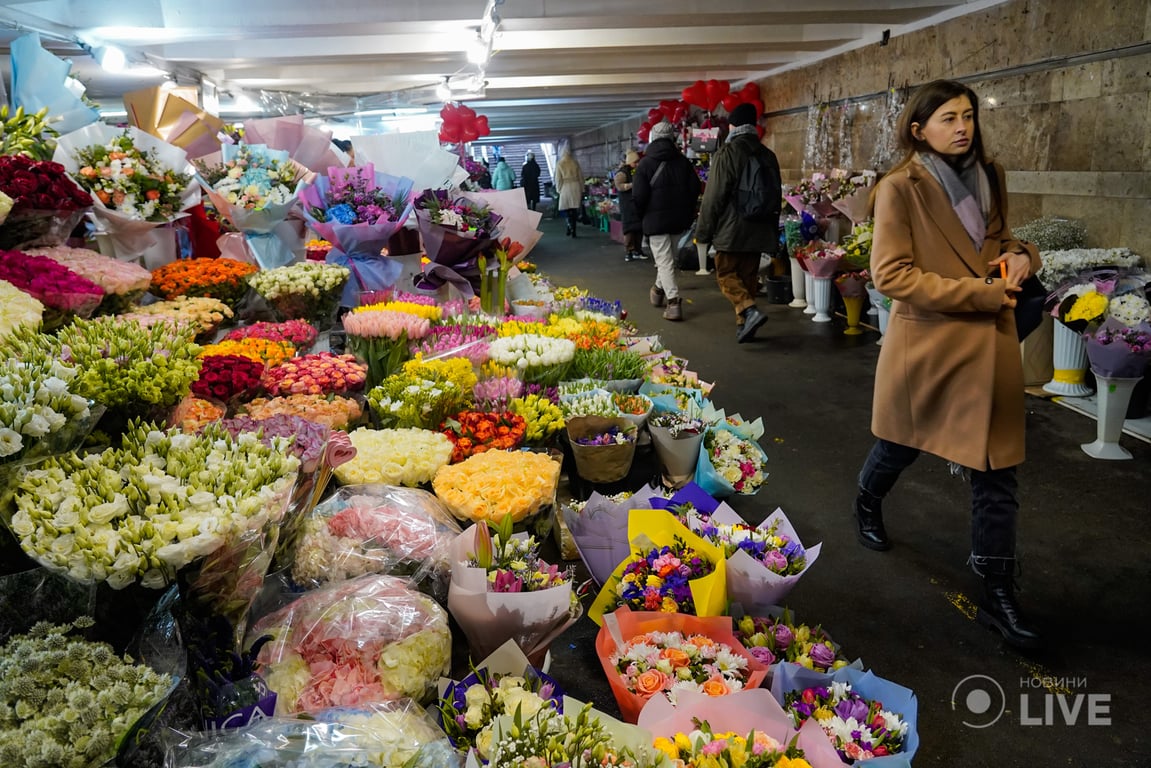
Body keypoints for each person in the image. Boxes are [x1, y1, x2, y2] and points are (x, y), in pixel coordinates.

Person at [851, 79, 1042, 650]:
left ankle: (998, 590)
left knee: (996, 472)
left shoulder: (990, 175)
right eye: (948, 119)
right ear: (918, 130)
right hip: (930, 345)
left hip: (989, 347)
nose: (963, 127)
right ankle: (867, 500)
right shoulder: (899, 189)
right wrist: (979, 294)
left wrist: (1021, 256)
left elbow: (1003, 238)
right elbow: (891, 276)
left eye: (968, 116)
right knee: (900, 445)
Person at [695, 102, 780, 343]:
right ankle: (744, 325)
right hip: (759, 228)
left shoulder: (727, 152)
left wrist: (703, 233)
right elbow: (776, 194)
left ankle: (749, 311)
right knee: (747, 277)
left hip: (732, 230)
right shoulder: (768, 154)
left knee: (726, 274)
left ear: (733, 125)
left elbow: (714, 197)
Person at [633, 121, 700, 322]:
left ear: (652, 138)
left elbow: (639, 195)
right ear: (672, 138)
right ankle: (657, 290)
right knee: (668, 259)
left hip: (655, 220)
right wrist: (686, 210)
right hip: (678, 219)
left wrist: (642, 215)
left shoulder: (645, 164)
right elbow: (695, 188)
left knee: (664, 261)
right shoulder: (683, 162)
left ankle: (673, 302)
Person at [613, 150, 646, 262]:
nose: (637, 164)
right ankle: (629, 251)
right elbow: (619, 186)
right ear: (630, 161)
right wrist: (632, 185)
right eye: (635, 162)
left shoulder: (636, 171)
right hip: (627, 204)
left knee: (639, 229)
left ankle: (638, 250)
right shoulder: (622, 173)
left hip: (637, 203)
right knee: (629, 229)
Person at [554, 147, 584, 237]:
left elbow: (558, 179)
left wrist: (558, 189)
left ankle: (569, 226)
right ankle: (573, 229)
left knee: (567, 209)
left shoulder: (560, 163)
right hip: (575, 186)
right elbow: (580, 177)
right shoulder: (575, 163)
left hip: (565, 187)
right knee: (574, 209)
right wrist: (582, 188)